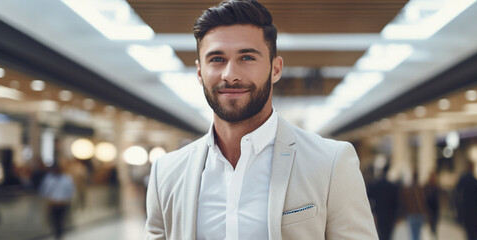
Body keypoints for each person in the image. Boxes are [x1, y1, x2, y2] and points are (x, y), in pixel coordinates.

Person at [144, 1, 377, 239]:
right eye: (216, 59)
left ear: (275, 69)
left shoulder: (330, 163)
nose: (230, 75)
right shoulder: (167, 172)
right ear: (200, 72)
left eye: (246, 57)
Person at [39, 164, 75, 240]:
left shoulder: (66, 179)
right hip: (53, 204)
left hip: (63, 203)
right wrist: (49, 200)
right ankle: (57, 234)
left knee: (61, 220)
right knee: (54, 221)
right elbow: (43, 191)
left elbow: (70, 191)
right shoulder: (48, 179)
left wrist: (66, 200)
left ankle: (60, 235)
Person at [453, 161, 477, 240]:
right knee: (475, 234)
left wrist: (458, 209)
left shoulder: (462, 180)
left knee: (469, 233)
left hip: (465, 212)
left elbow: (456, 195)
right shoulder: (476, 181)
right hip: (475, 212)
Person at [367, 164, 399, 240]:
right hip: (389, 215)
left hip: (379, 214)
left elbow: (369, 197)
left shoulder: (376, 185)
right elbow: (396, 202)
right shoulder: (392, 186)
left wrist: (372, 211)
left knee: (381, 234)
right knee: (387, 235)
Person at [401, 171, 428, 240]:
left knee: (413, 235)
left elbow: (404, 202)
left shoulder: (408, 189)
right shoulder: (420, 189)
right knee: (418, 234)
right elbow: (424, 201)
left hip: (411, 214)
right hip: (419, 214)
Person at [423, 171, 441, 238]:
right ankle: (432, 233)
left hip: (435, 208)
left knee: (435, 223)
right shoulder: (427, 186)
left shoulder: (436, 186)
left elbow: (438, 197)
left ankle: (434, 234)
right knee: (431, 223)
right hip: (429, 207)